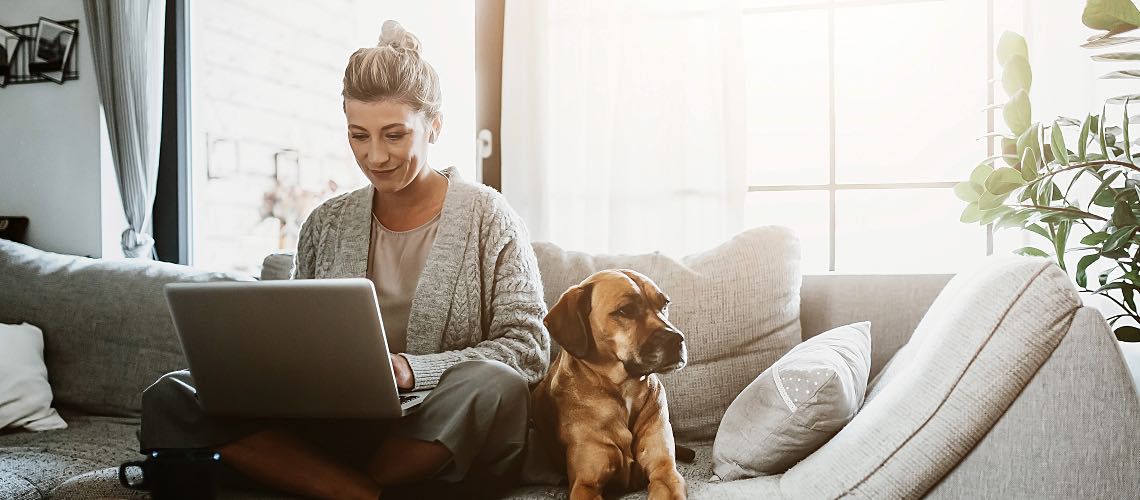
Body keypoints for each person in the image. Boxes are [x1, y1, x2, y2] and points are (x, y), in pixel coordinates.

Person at [138, 20, 550, 500]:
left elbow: (527, 347)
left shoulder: (488, 215)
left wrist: (414, 369)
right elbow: (297, 337)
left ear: (434, 126)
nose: (375, 156)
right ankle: (366, 494)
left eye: (394, 135)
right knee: (172, 394)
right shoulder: (325, 223)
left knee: (496, 385)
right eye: (359, 136)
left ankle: (321, 482)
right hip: (332, 424)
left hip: (433, 424)